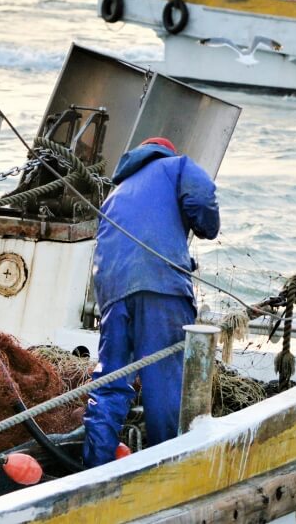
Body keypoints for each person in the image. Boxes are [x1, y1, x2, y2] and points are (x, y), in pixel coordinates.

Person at [82, 137, 220, 468]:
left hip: (112, 293)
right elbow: (202, 196)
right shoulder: (178, 166)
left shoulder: (115, 194)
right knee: (165, 380)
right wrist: (206, 227)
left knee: (111, 380)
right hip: (160, 287)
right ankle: (168, 467)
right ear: (165, 153)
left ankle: (93, 466)